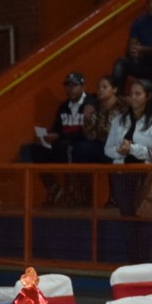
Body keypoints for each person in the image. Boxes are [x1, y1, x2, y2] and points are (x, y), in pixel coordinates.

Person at [29, 72, 96, 205]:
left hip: (82, 143)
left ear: (83, 86)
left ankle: (74, 192)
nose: (70, 89)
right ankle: (53, 187)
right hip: (62, 142)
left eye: (74, 86)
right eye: (68, 86)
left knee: (66, 147)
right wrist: (48, 137)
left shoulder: (91, 104)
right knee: (37, 148)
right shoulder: (63, 107)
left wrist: (60, 136)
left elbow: (89, 132)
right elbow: (57, 128)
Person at [106, 78, 152, 214]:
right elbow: (107, 149)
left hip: (145, 174)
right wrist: (120, 151)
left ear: (148, 96)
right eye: (131, 94)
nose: (133, 97)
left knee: (145, 215)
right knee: (126, 214)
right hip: (121, 174)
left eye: (138, 94)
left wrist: (133, 149)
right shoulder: (118, 120)